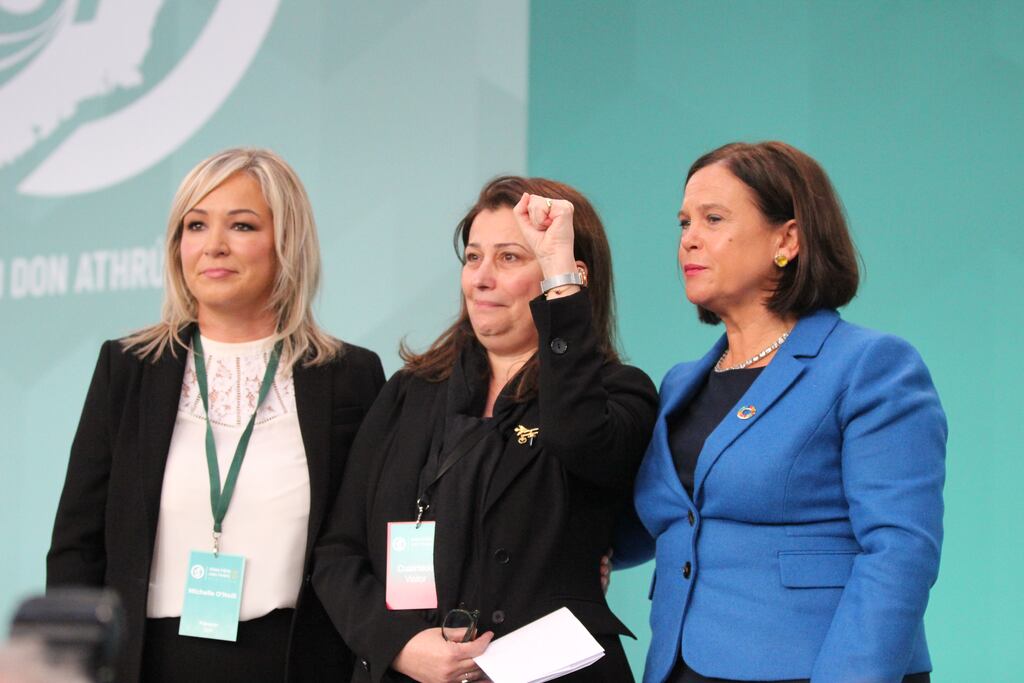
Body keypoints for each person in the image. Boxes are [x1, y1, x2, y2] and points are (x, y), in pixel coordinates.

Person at [46, 148, 385, 683]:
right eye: (196, 224)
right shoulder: (129, 368)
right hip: (149, 661)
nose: (213, 246)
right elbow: (77, 546)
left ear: (286, 242)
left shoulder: (348, 375)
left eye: (242, 225)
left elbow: (365, 546)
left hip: (298, 662)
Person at [620, 141, 947, 683]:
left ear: (787, 239)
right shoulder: (681, 383)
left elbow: (899, 551)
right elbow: (659, 523)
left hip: (813, 668)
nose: (689, 240)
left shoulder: (871, 365)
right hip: (678, 665)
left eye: (714, 218)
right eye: (683, 223)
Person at [312, 175, 659, 682]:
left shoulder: (618, 393)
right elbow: (338, 553)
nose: (481, 277)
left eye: (510, 258)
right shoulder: (409, 393)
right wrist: (400, 645)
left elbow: (580, 440)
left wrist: (563, 293)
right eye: (473, 257)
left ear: (567, 277)